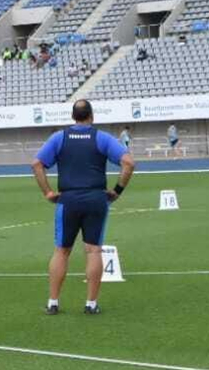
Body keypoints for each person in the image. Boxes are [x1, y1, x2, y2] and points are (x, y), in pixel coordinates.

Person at [31, 100, 134, 315]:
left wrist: (48, 192)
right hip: (96, 199)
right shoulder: (101, 137)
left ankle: (53, 302)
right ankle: (91, 304)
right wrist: (117, 191)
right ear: (92, 116)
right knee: (93, 250)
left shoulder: (59, 137)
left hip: (68, 200)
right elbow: (128, 163)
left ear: (72, 116)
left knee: (61, 250)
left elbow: (37, 164)